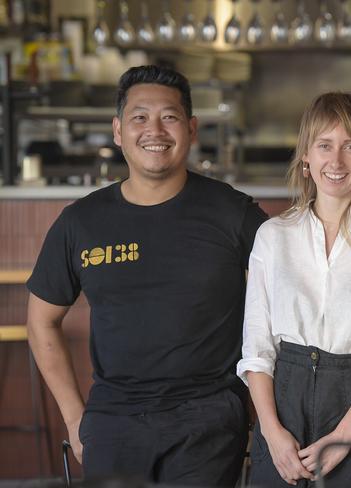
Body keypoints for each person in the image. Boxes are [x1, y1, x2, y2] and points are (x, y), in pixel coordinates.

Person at [26, 65, 268, 486]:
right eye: (140, 117)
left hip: (207, 417)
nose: (154, 129)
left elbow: (281, 304)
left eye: (169, 117)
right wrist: (74, 418)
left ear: (191, 129)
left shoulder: (234, 213)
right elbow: (41, 319)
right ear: (118, 131)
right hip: (113, 418)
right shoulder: (81, 222)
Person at [237, 92, 351, 487]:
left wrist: (343, 437)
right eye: (324, 145)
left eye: (350, 146)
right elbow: (257, 349)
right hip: (284, 413)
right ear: (306, 157)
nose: (336, 161)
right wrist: (272, 435)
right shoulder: (273, 236)